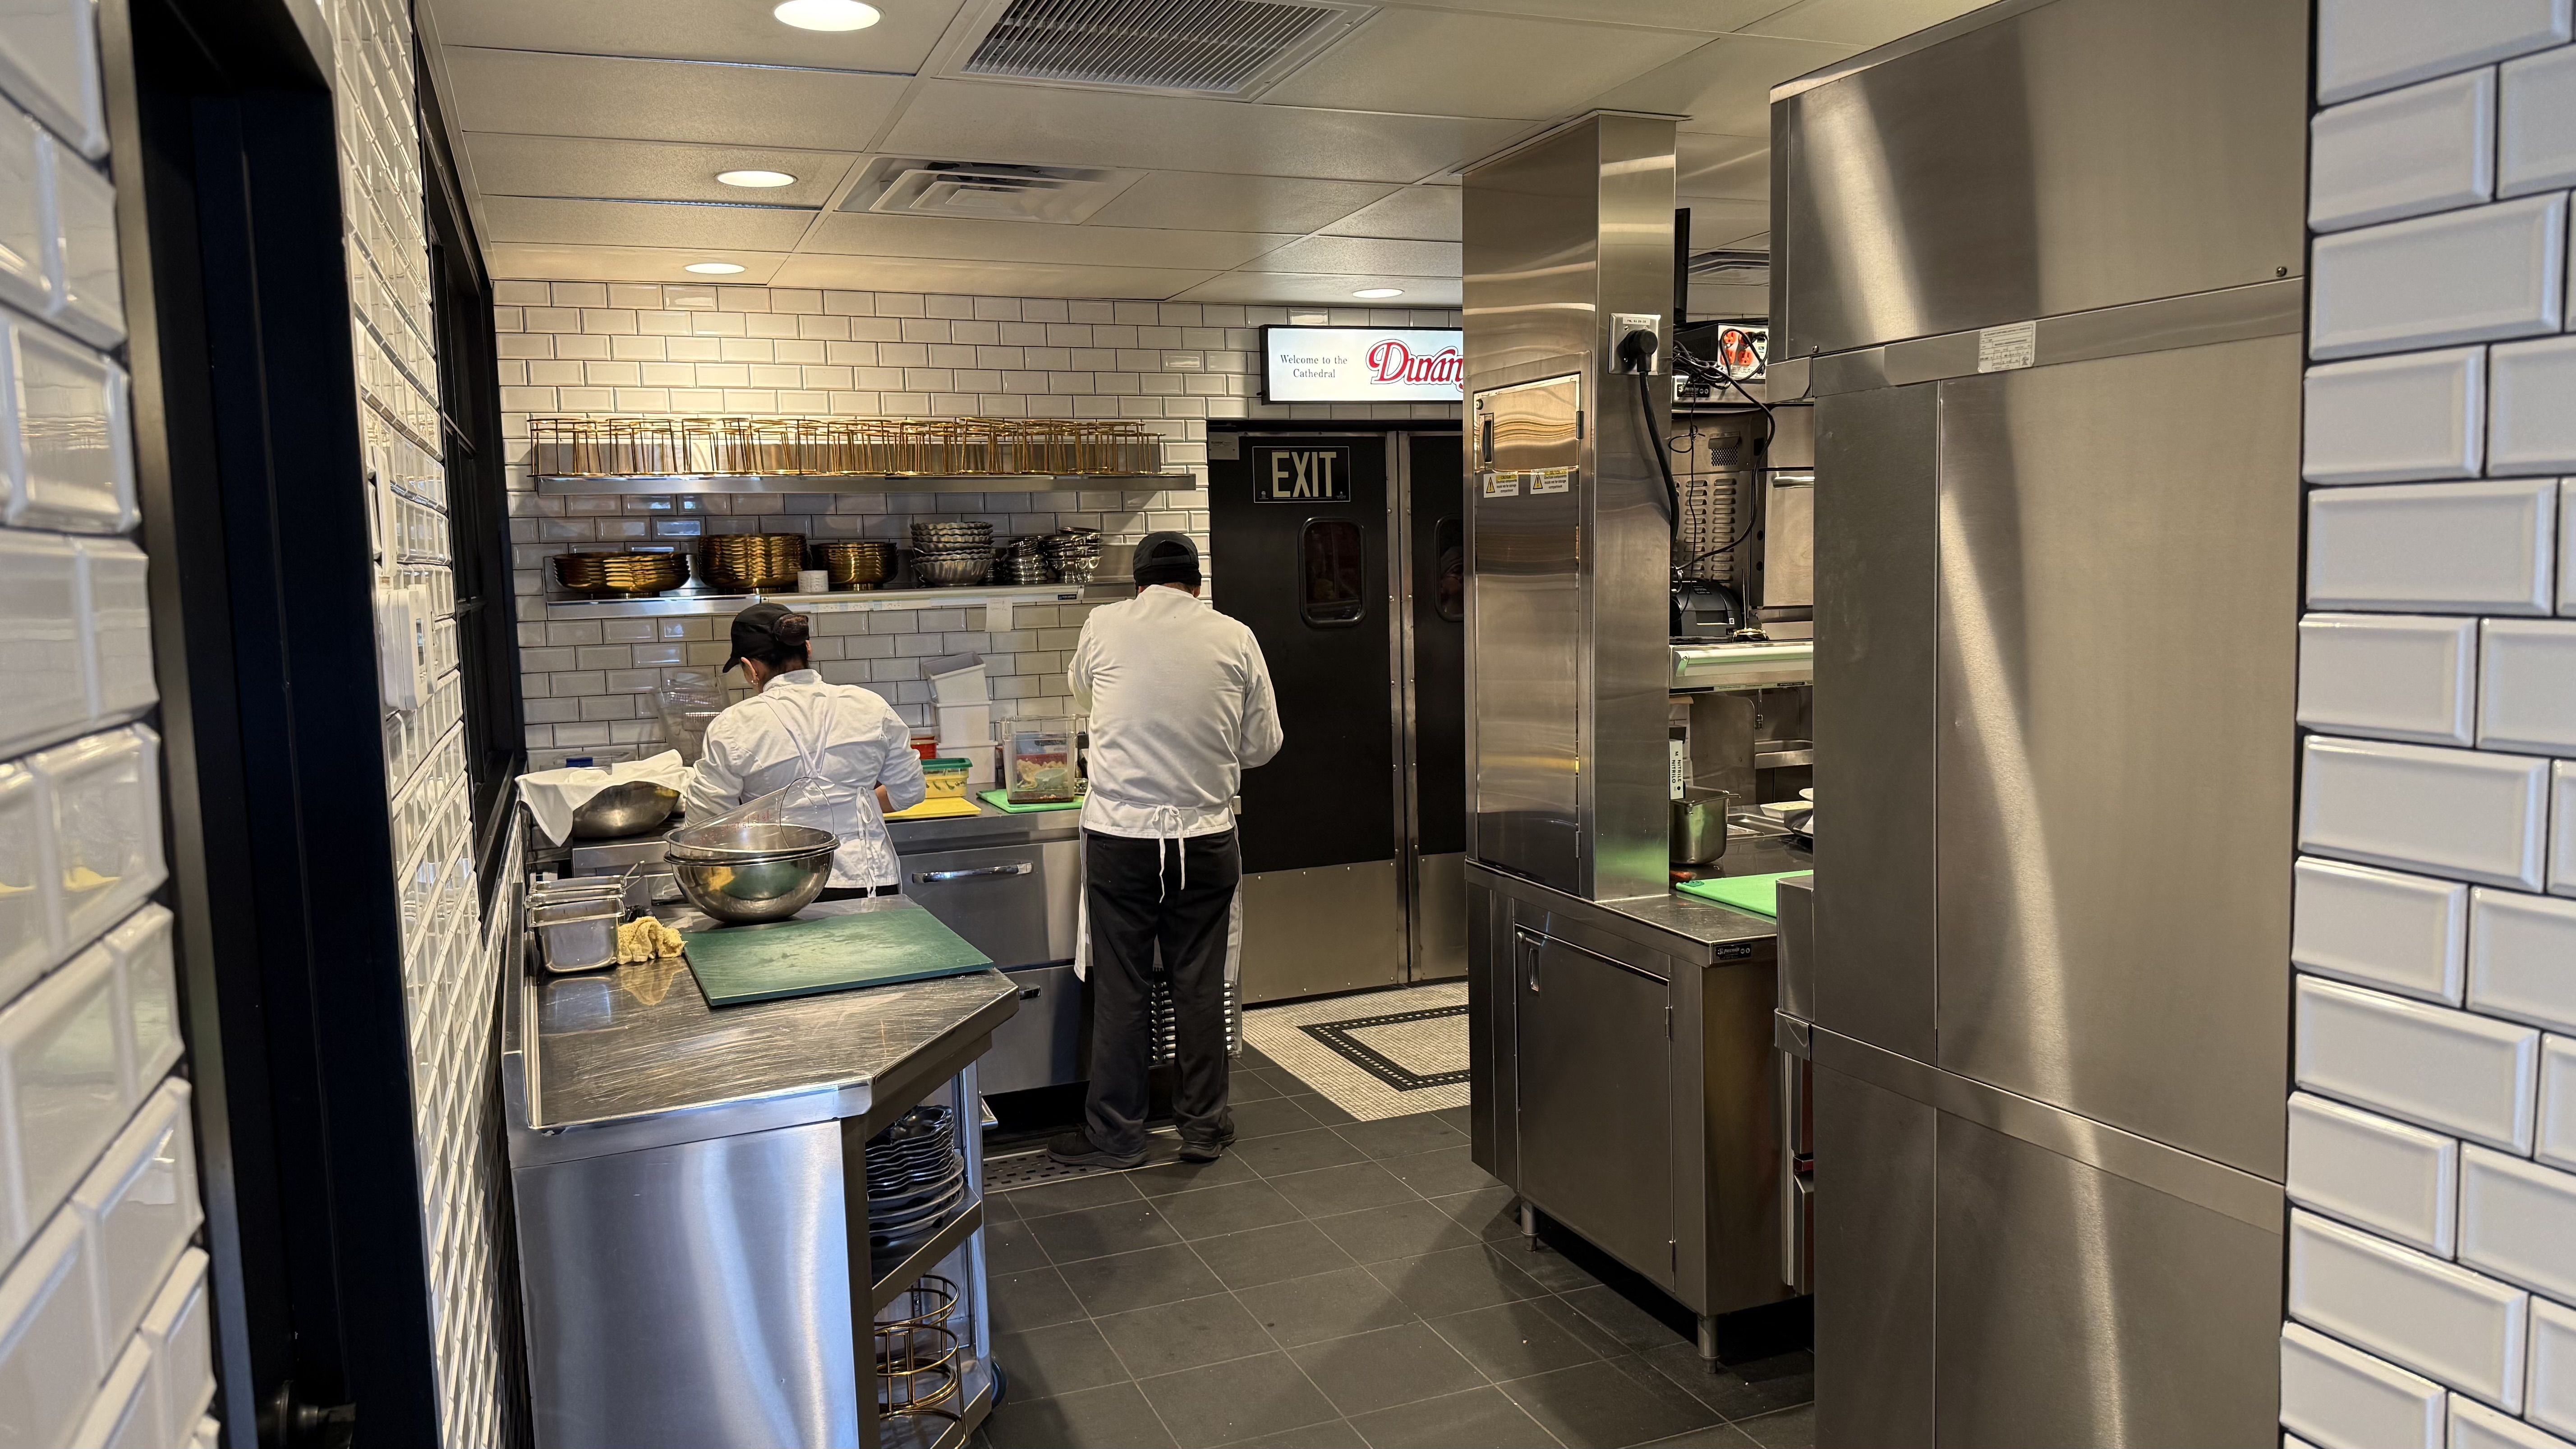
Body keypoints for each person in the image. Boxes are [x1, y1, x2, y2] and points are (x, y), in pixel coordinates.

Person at [1050, 532, 1283, 1169]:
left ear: (1139, 585)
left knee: (1122, 986)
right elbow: (1263, 745)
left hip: (1122, 837)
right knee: (1200, 985)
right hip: (1204, 837)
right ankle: (1204, 1128)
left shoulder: (1103, 624)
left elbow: (1087, 697)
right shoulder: (1234, 635)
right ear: (1197, 585)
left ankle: (1117, 1135)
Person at [682, 602, 925, 901]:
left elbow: (705, 828)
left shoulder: (733, 726)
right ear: (807, 649)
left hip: (779, 889)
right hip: (870, 881)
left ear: (751, 669)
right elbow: (910, 791)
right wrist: (849, 806)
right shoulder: (870, 706)